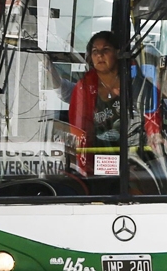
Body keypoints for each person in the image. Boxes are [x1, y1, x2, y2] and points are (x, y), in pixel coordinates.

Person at [68, 32, 159, 175]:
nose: (99, 55)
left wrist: (155, 136)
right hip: (98, 163)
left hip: (137, 162)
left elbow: (152, 120)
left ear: (117, 53)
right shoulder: (83, 88)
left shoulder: (136, 83)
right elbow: (78, 132)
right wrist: (85, 167)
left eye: (105, 50)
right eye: (94, 51)